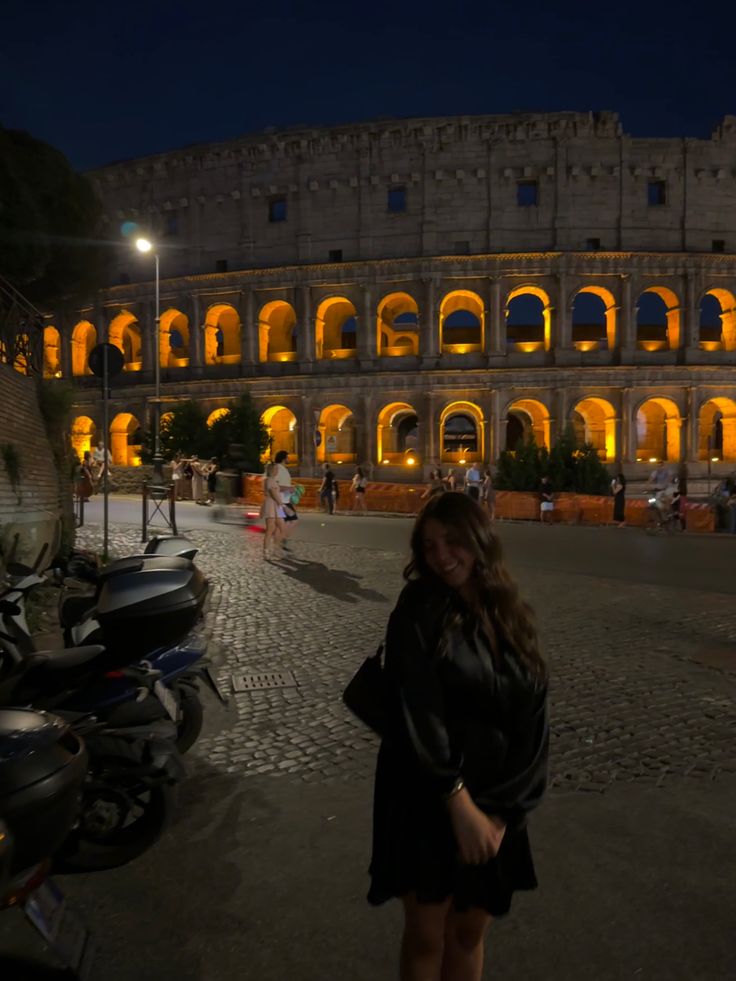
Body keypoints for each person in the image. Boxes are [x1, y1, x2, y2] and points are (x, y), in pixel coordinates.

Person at [368, 493, 549, 980]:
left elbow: (533, 717)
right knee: (427, 933)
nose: (441, 556)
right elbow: (418, 710)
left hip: (495, 800)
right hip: (425, 792)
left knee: (469, 932)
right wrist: (457, 800)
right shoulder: (418, 608)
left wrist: (505, 811)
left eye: (452, 541)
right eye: (429, 545)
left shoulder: (512, 612)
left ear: (478, 539)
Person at [261, 463, 286, 558]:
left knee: (282, 528)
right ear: (271, 470)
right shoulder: (269, 480)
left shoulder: (274, 480)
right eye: (276, 469)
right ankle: (266, 551)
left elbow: (277, 491)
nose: (277, 471)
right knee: (270, 529)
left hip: (278, 506)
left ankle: (276, 548)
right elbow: (273, 493)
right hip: (272, 505)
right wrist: (281, 503)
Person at [273, 450, 297, 547]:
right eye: (288, 457)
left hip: (285, 501)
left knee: (288, 522)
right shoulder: (277, 469)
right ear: (284, 458)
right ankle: (279, 542)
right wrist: (289, 488)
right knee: (289, 521)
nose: (289, 459)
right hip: (281, 502)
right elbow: (275, 485)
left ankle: (281, 541)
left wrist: (291, 489)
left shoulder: (283, 469)